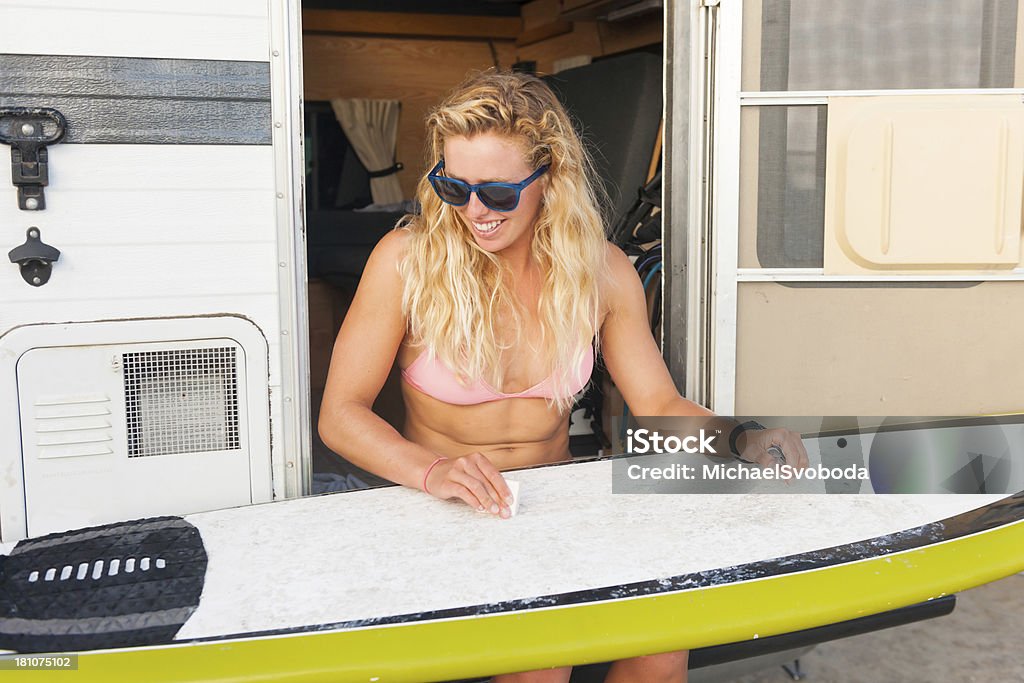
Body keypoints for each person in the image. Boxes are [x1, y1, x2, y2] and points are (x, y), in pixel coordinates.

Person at [319, 69, 808, 683]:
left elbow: (658, 402)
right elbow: (341, 414)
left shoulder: (600, 272)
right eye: (452, 187)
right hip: (440, 505)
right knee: (542, 662)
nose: (473, 211)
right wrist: (433, 470)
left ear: (548, 178)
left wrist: (742, 438)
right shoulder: (407, 263)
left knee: (665, 640)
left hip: (550, 507)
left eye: (496, 193)